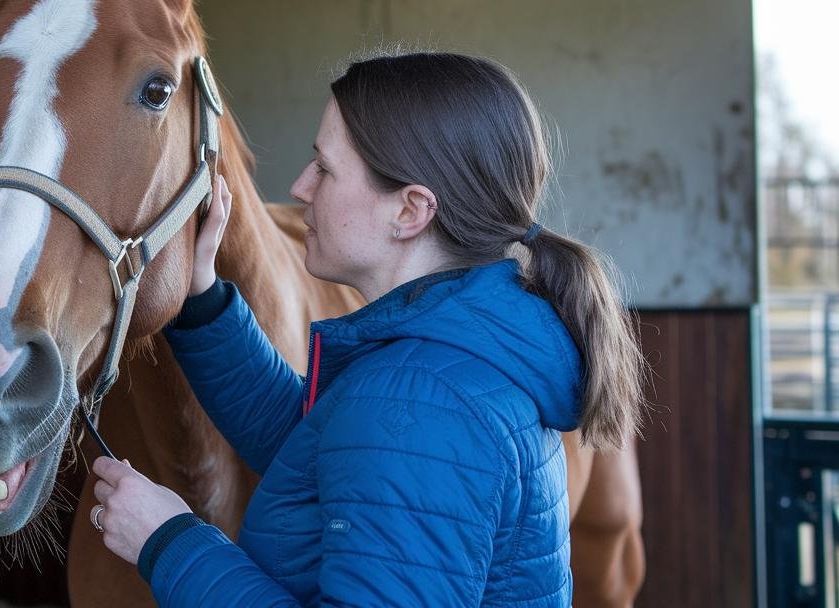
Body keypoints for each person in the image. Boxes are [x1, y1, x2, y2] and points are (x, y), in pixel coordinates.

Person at [89, 51, 647, 606]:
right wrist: (202, 300)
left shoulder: (422, 403)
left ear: (410, 211)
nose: (301, 186)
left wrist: (170, 544)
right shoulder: (441, 362)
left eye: (325, 168)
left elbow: (382, 443)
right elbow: (320, 451)